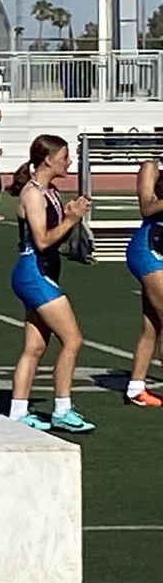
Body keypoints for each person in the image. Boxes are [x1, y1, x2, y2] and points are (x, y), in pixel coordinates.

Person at [6, 135, 95, 433]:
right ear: (48, 159)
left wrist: (69, 215)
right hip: (34, 272)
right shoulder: (33, 194)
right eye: (65, 157)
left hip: (41, 272)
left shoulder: (50, 191)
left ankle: (18, 411)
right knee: (73, 340)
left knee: (34, 347)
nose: (68, 162)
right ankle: (62, 409)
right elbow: (43, 240)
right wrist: (72, 219)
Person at [123, 157, 163, 407]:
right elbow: (146, 207)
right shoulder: (153, 167)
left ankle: (136, 387)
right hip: (150, 248)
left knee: (153, 324)